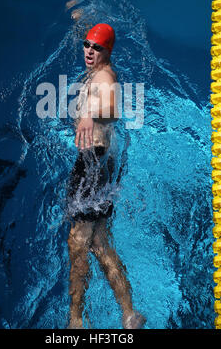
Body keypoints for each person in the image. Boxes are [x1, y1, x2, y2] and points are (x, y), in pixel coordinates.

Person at [66, 21, 146, 329]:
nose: (88, 50)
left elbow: (112, 107)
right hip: (101, 162)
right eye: (86, 44)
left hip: (92, 162)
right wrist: (79, 18)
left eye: (95, 47)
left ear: (107, 51)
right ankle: (129, 313)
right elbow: (91, 42)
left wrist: (88, 114)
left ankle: (75, 320)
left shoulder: (104, 76)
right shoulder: (97, 69)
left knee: (77, 241)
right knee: (98, 242)